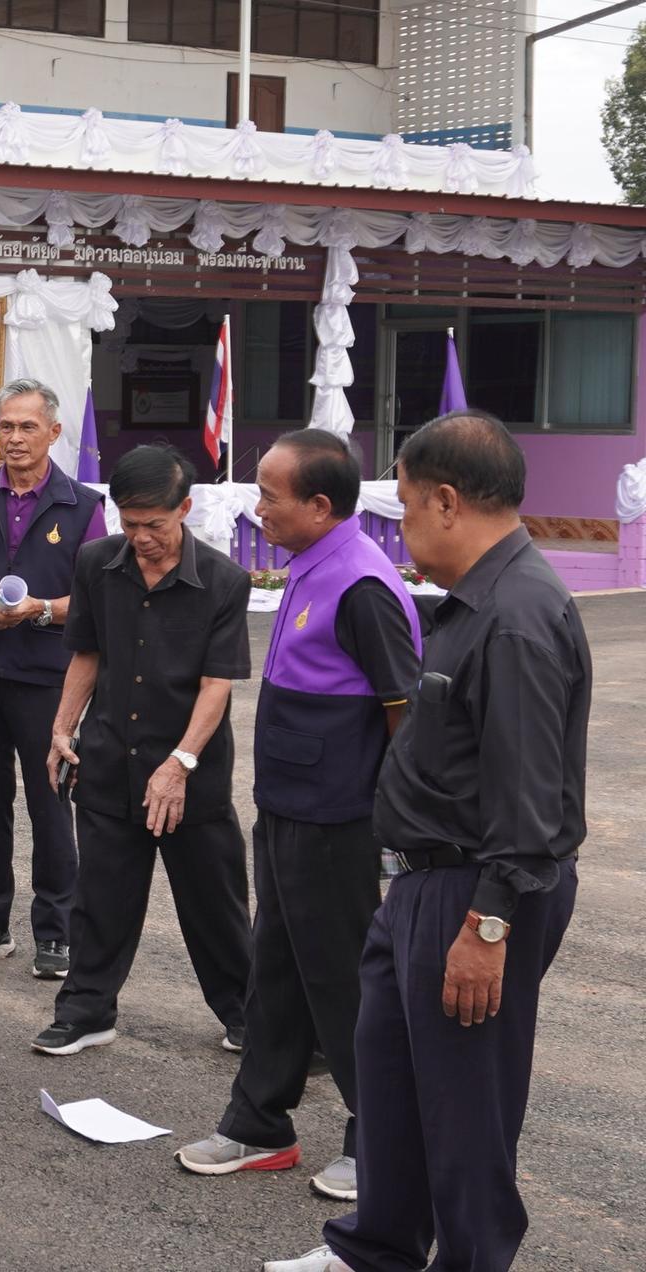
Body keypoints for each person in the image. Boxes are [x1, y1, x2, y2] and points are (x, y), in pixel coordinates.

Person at [265, 413, 589, 1272]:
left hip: (475, 888)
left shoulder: (516, 616)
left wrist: (489, 924)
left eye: (405, 507)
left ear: (447, 502)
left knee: (465, 1105)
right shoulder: (474, 602)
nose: (400, 525)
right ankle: (377, 1248)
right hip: (420, 880)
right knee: (393, 1081)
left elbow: (529, 797)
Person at [177, 430, 421, 1204]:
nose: (258, 508)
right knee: (275, 971)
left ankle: (380, 1141)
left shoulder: (364, 584)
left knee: (345, 980)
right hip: (286, 811)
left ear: (320, 506)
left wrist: (398, 823)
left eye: (270, 496)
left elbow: (406, 713)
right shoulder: (312, 565)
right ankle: (259, 1124)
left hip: (338, 823)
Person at [35, 444, 253, 1057]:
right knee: (100, 899)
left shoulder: (223, 581)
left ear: (184, 508)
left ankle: (248, 1016)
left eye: (153, 524)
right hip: (108, 762)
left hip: (190, 773)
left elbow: (216, 684)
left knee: (214, 906)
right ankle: (85, 1013)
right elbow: (87, 653)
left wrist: (180, 763)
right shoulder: (96, 564)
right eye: (129, 524)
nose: (141, 538)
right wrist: (61, 729)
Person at [0, 379, 107, 980]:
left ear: (53, 432)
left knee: (51, 803)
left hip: (46, 677)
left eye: (27, 426)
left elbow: (97, 598)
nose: (14, 437)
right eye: (6, 426)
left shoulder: (82, 506)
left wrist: (39, 609)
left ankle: (57, 931)